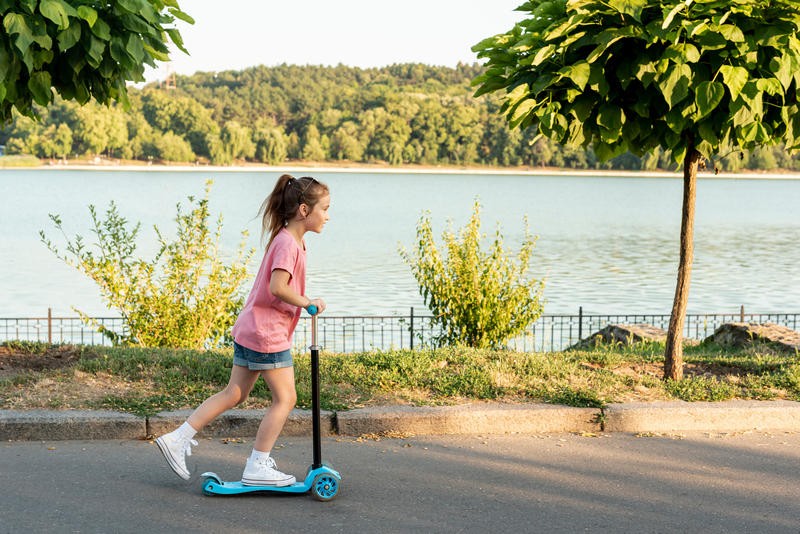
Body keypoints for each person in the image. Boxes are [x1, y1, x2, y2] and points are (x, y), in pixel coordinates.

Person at [156, 174, 330, 486]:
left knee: (234, 393)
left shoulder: (287, 239)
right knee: (286, 399)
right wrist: (307, 302)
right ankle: (257, 465)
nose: (328, 216)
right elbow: (278, 287)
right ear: (304, 210)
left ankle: (177, 438)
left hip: (253, 328)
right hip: (267, 334)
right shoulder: (288, 244)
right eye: (325, 209)